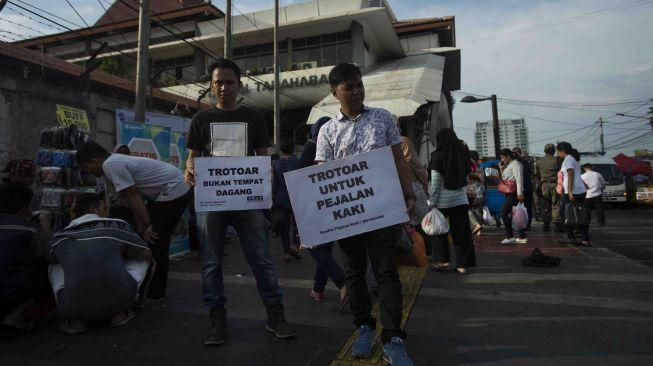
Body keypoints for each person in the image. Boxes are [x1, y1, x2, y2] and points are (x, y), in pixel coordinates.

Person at [183, 59, 295, 346]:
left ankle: (275, 315)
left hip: (248, 201)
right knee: (210, 263)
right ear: (211, 86)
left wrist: (266, 174)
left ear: (239, 84)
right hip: (212, 201)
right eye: (218, 82)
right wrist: (189, 169)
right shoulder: (201, 120)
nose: (223, 87)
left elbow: (262, 155)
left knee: (261, 259)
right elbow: (192, 157)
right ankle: (217, 320)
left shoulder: (254, 118)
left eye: (229, 81)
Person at [315, 63, 415, 365]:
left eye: (359, 84)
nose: (357, 91)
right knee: (355, 272)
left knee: (386, 272)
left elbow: (398, 159)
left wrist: (408, 193)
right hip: (348, 216)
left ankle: (393, 337)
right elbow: (323, 175)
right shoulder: (327, 130)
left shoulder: (383, 118)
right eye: (349, 87)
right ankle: (363, 327)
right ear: (335, 93)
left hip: (384, 210)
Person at [76, 141, 192, 305]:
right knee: (157, 243)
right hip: (176, 189)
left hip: (173, 190)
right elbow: (129, 200)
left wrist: (146, 225)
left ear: (94, 161)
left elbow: (133, 196)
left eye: (86, 168)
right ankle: (155, 293)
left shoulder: (112, 165)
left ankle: (145, 293)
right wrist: (141, 226)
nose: (87, 172)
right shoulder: (112, 165)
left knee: (149, 244)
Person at [47, 194, 151, 334]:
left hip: (72, 308)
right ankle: (119, 314)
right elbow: (146, 254)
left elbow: (47, 258)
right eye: (104, 208)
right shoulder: (117, 225)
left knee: (55, 263)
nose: (106, 212)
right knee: (141, 256)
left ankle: (76, 321)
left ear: (74, 214)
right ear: (95, 210)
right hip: (120, 302)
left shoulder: (59, 236)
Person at [0, 183, 52, 335]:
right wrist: (46, 228)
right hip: (8, 298)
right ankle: (17, 317)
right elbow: (50, 255)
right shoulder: (29, 229)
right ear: (24, 207)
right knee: (52, 270)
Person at [428, 128, 477, 274]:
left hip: (443, 202)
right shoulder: (461, 155)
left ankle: (444, 261)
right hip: (460, 201)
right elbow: (466, 177)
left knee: (439, 232)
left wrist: (432, 202)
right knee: (461, 233)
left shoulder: (437, 156)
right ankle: (462, 265)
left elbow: (435, 183)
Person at [272, 139, 302, 262]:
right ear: (293, 150)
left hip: (281, 198)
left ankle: (286, 254)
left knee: (284, 228)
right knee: (299, 225)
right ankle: (295, 245)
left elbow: (274, 183)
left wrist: (273, 198)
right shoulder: (299, 162)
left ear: (281, 150)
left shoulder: (275, 164)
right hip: (296, 196)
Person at [557, 143, 590, 246]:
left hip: (572, 192)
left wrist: (570, 191)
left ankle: (571, 238)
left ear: (563, 151)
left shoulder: (568, 160)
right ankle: (585, 239)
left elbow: (570, 175)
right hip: (578, 191)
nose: (558, 154)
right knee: (580, 215)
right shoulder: (573, 159)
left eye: (558, 151)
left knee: (565, 214)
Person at [498, 149, 528, 244]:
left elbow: (519, 178)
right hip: (510, 193)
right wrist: (501, 168)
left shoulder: (516, 164)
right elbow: (504, 178)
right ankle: (521, 236)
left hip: (514, 193)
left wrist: (520, 193)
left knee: (503, 213)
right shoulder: (509, 165)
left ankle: (510, 236)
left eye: (503, 157)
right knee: (516, 214)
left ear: (508, 156)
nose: (502, 160)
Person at [537, 143, 560, 232]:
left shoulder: (539, 161)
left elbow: (537, 175)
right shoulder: (557, 161)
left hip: (544, 186)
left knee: (545, 205)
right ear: (554, 151)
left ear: (544, 150)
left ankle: (546, 224)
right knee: (555, 204)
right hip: (555, 185)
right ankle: (557, 224)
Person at [512, 147, 534, 229]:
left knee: (518, 205)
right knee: (527, 206)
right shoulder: (526, 162)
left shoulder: (514, 162)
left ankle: (520, 223)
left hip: (519, 187)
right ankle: (527, 224)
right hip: (527, 187)